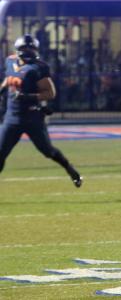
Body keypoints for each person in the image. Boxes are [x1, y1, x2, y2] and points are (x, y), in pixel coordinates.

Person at [0, 35, 82, 187]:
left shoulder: (39, 67)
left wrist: (28, 97)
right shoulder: (10, 61)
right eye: (26, 48)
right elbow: (9, 78)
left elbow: (50, 93)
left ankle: (70, 169)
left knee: (48, 151)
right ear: (19, 50)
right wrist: (3, 89)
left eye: (31, 48)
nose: (29, 51)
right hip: (12, 117)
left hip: (32, 118)